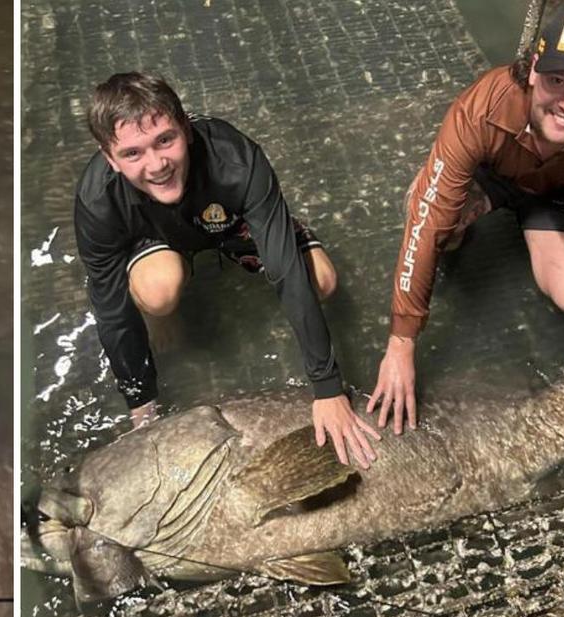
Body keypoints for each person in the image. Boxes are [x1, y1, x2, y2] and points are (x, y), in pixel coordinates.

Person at [368, 0, 564, 434]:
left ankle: (533, 226)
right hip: (497, 174)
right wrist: (401, 341)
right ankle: (477, 199)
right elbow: (426, 222)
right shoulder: (484, 106)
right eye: (557, 80)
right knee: (427, 209)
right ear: (534, 67)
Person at [74, 72, 379, 469]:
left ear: (185, 128)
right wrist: (141, 408)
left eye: (165, 140)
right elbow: (112, 311)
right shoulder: (98, 202)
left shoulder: (235, 158)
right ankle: (163, 306)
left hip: (228, 219)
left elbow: (287, 270)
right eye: (133, 153)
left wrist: (327, 388)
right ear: (109, 157)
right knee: (159, 294)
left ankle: (274, 221)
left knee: (321, 279)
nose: (157, 164)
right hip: (155, 236)